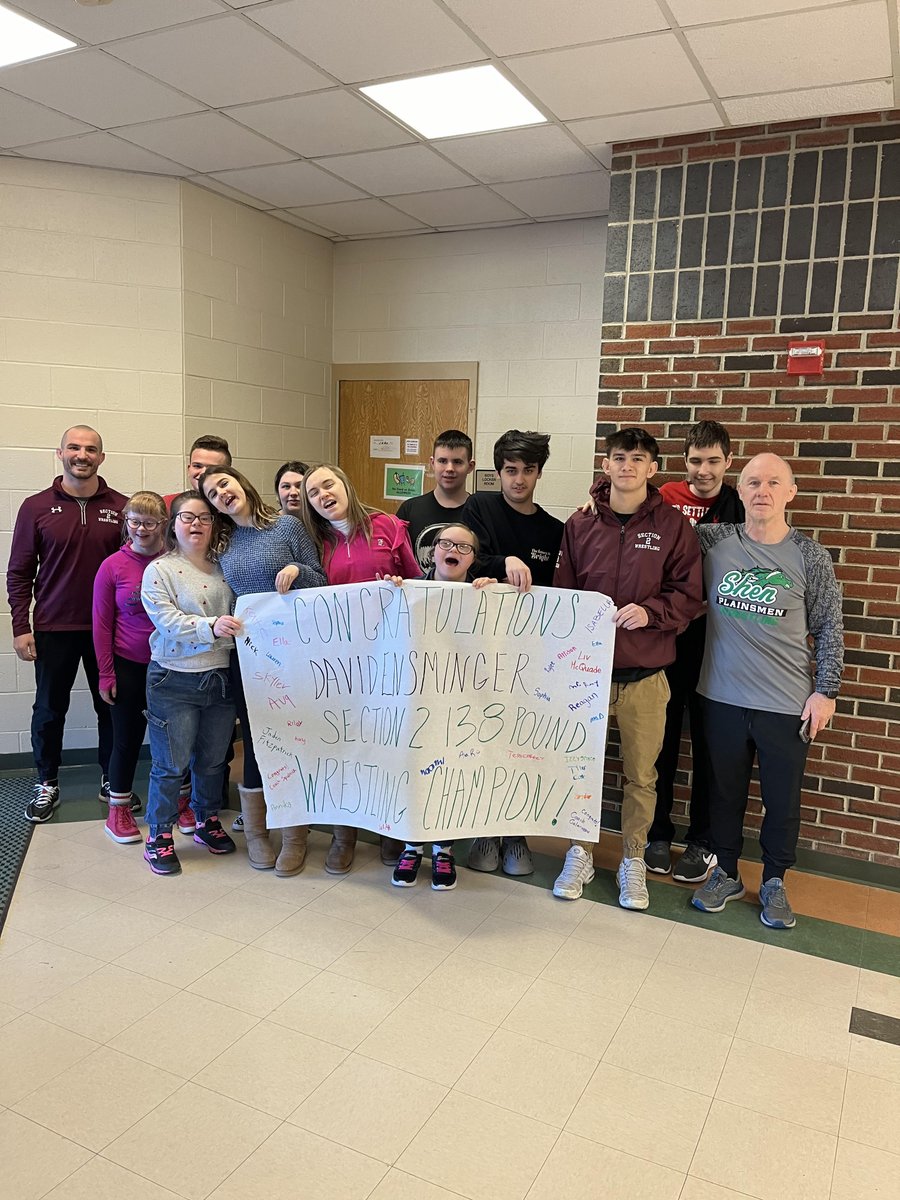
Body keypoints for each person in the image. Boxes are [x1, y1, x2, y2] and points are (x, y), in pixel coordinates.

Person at [552, 427, 703, 910]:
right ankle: (580, 851)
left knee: (641, 777)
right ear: (607, 464)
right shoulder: (580, 524)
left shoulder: (674, 526)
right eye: (619, 458)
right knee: (582, 770)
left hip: (646, 678)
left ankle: (633, 859)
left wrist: (650, 612)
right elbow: (564, 598)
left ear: (653, 469)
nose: (627, 467)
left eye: (638, 459)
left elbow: (689, 595)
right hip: (587, 679)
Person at [691, 454, 844, 930]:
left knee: (782, 800)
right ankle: (727, 872)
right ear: (739, 491)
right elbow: (651, 537)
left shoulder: (810, 556)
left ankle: (775, 879)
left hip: (787, 703)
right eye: (753, 481)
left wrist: (826, 691)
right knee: (724, 794)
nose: (763, 490)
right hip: (720, 697)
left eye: (774, 482)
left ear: (790, 492)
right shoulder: (711, 540)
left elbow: (830, 626)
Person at [201, 465, 325, 877]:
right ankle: (256, 832)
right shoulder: (222, 542)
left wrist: (298, 572)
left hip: (295, 652)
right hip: (249, 654)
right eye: (212, 494)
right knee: (256, 739)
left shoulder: (287, 526)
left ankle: (295, 836)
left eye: (224, 484)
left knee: (295, 735)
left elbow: (320, 578)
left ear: (240, 482)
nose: (221, 494)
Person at [299, 462, 421, 873]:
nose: (322, 495)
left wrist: (404, 586)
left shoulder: (387, 525)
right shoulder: (314, 540)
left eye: (327, 485)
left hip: (390, 657)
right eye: (313, 493)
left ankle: (391, 829)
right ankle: (343, 834)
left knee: (389, 744)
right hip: (341, 662)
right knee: (343, 746)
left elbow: (420, 583)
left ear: (345, 483)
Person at [7, 426, 128, 823]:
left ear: (101, 457)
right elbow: (20, 571)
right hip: (53, 627)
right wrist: (20, 626)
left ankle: (113, 780)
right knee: (48, 709)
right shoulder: (35, 506)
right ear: (59, 453)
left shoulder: (123, 507)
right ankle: (46, 782)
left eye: (91, 449)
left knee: (110, 706)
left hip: (108, 630)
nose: (82, 454)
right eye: (74, 447)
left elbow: (135, 567)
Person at [645, 420, 745, 883]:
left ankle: (703, 839)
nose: (703, 471)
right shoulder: (663, 496)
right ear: (683, 462)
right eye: (695, 461)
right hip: (668, 636)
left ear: (728, 461)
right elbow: (617, 501)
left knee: (709, 742)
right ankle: (657, 832)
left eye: (713, 461)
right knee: (660, 738)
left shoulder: (742, 504)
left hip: (718, 639)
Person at [463, 430, 564, 877]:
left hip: (531, 658)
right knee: (484, 740)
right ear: (497, 471)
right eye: (510, 470)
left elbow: (566, 592)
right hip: (480, 652)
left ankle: (517, 833)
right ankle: (484, 827)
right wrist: (501, 562)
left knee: (523, 745)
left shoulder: (555, 530)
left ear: (539, 472)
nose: (518, 479)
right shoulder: (479, 509)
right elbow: (464, 557)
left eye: (527, 470)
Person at [390, 523, 496, 891]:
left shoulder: (483, 594)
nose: (453, 550)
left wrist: (494, 596)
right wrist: (390, 591)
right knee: (415, 768)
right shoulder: (407, 589)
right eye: (446, 544)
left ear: (473, 558)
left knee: (451, 773)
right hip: (415, 701)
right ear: (432, 551)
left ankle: (444, 850)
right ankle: (411, 846)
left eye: (464, 547)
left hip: (461, 706)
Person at [140, 492, 240, 875]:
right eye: (186, 517)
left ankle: (205, 821)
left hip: (221, 678)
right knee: (171, 764)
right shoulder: (160, 570)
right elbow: (167, 621)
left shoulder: (224, 567)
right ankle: (160, 836)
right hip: (174, 679)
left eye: (204, 517)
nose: (196, 524)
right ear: (173, 524)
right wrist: (210, 626)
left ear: (214, 524)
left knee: (213, 761)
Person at [92, 491, 168, 844]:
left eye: (149, 522)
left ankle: (179, 804)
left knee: (173, 739)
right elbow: (102, 624)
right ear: (126, 523)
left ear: (163, 525)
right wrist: (106, 673)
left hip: (171, 666)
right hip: (128, 664)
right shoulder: (112, 566)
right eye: (134, 521)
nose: (141, 529)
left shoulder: (174, 562)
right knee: (127, 738)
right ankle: (118, 810)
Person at [396, 430, 475, 571]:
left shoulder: (480, 512)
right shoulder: (410, 510)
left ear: (470, 466)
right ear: (432, 463)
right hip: (419, 592)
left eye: (457, 462)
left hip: (467, 593)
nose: (449, 468)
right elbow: (397, 561)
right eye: (442, 461)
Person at [163, 434, 231, 508]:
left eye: (212, 468)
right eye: (197, 466)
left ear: (229, 473)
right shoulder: (167, 505)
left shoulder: (235, 508)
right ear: (189, 470)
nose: (203, 473)